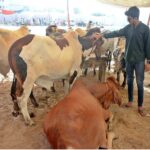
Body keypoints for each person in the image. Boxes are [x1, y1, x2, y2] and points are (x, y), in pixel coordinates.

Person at [101, 6, 150, 116]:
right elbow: (116, 32)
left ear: (134, 17)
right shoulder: (128, 28)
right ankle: (130, 101)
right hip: (128, 59)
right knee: (129, 80)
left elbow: (148, 46)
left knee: (140, 83)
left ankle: (140, 106)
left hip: (139, 61)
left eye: (129, 17)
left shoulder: (145, 29)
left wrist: (149, 62)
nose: (127, 19)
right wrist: (103, 34)